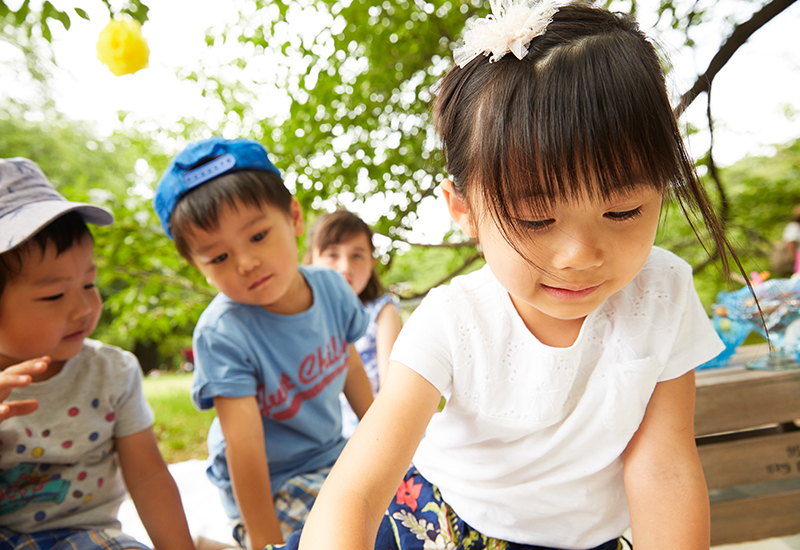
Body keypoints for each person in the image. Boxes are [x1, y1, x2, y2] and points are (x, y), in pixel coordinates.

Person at [270, 2, 741, 549]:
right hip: (442, 525)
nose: (579, 255)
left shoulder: (663, 291)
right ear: (464, 211)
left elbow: (663, 468)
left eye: (623, 212)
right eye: (536, 218)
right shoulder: (452, 320)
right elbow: (357, 490)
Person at [152, 137, 373, 550]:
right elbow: (245, 447)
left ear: (293, 218)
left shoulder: (331, 288)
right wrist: (265, 542)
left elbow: (351, 369)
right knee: (338, 538)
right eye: (218, 258)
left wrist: (384, 447)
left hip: (330, 453)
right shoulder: (223, 332)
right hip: (270, 481)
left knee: (409, 506)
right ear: (197, 267)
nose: (245, 263)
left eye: (257, 236)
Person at [0, 157, 195, 550]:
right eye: (54, 294)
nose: (84, 309)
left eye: (89, 283)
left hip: (86, 538)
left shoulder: (113, 371)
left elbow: (148, 477)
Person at [305, 210, 402, 437]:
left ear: (371, 263)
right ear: (311, 261)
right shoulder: (305, 317)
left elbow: (393, 387)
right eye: (332, 255)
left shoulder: (382, 311)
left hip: (375, 424)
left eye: (357, 255)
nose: (345, 266)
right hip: (320, 434)